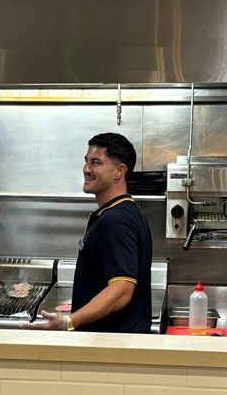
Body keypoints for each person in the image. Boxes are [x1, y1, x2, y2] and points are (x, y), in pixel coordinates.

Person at [25, 132, 152, 333]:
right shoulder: (118, 212)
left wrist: (69, 321)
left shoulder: (116, 222)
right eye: (86, 161)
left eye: (96, 163)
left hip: (110, 346)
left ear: (119, 171)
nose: (86, 169)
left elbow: (122, 290)